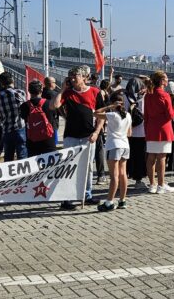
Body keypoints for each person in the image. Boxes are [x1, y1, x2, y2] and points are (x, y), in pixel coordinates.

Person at [49, 65, 103, 209]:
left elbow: (101, 116)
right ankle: (67, 197)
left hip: (88, 136)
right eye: (70, 77)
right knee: (69, 166)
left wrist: (97, 132)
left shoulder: (95, 92)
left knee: (87, 167)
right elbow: (53, 106)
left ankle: (87, 194)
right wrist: (62, 90)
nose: (73, 79)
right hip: (71, 136)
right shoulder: (67, 94)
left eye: (75, 77)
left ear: (84, 77)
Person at [95, 92, 132, 211]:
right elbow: (129, 133)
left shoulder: (112, 115)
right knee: (123, 174)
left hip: (114, 145)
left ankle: (109, 202)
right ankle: (122, 200)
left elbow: (95, 113)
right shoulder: (128, 115)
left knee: (114, 176)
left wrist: (108, 107)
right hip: (125, 145)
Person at [144, 70, 174, 194]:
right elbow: (169, 115)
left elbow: (146, 115)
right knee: (162, 157)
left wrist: (147, 129)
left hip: (151, 128)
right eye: (166, 78)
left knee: (151, 157)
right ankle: (161, 184)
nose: (168, 80)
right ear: (162, 81)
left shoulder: (148, 95)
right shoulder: (165, 95)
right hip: (163, 129)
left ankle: (152, 184)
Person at [0, 72, 28, 162]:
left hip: (6, 129)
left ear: (1, 83)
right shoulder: (20, 93)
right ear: (12, 80)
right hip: (19, 128)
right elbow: (26, 108)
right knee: (22, 157)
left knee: (8, 157)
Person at [21, 80, 56, 156]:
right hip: (48, 139)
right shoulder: (49, 103)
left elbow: (24, 118)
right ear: (41, 90)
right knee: (51, 165)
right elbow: (54, 116)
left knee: (34, 165)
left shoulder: (24, 106)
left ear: (29, 91)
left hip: (32, 140)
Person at [125, 76, 149, 188]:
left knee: (128, 157)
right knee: (140, 157)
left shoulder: (124, 97)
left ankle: (123, 178)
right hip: (141, 132)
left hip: (127, 132)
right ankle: (138, 180)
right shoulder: (143, 98)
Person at [41, 76, 61, 146]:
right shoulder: (53, 94)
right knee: (53, 142)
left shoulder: (41, 92)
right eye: (54, 82)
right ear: (51, 84)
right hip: (52, 120)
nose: (55, 84)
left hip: (43, 119)